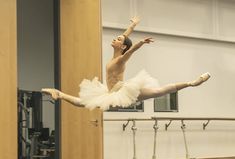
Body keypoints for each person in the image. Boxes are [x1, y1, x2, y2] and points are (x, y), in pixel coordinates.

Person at [42, 17, 210, 111]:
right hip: (110, 91)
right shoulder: (116, 54)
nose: (115, 38)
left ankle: (192, 83)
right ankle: (58, 93)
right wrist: (132, 25)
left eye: (118, 39)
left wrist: (140, 43)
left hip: (122, 90)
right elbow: (125, 37)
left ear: (121, 46)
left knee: (159, 91)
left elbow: (130, 50)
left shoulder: (121, 59)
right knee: (83, 102)